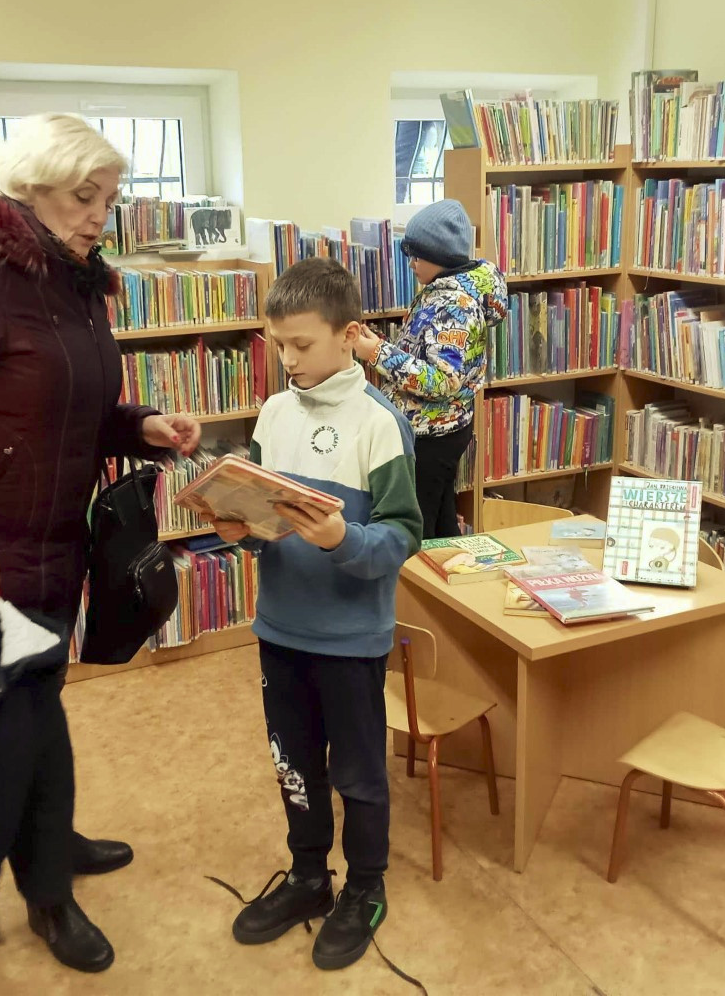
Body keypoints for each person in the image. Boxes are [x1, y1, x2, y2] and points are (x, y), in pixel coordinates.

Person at [0, 113, 201, 972]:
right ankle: (48, 894)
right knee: (15, 725)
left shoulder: (76, 282)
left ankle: (50, 838)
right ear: (30, 187)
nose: (100, 216)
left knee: (36, 709)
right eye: (85, 196)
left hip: (54, 544)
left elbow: (66, 407)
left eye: (109, 200)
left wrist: (141, 426)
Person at [210, 257, 422, 971]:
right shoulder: (274, 412)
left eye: (302, 344)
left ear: (349, 334)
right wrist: (238, 528)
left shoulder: (380, 424)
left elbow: (402, 535)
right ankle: (308, 877)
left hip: (350, 639)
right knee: (294, 765)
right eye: (279, 344)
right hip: (281, 628)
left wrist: (342, 540)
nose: (289, 359)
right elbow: (261, 512)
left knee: (358, 774)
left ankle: (364, 887)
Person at [354, 199, 506, 538]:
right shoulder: (442, 292)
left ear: (441, 256)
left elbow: (441, 381)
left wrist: (377, 353)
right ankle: (450, 570)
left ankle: (423, 574)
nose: (411, 263)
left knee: (418, 526)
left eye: (417, 255)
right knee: (440, 519)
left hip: (434, 434)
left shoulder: (454, 305)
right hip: (437, 426)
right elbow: (425, 353)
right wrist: (383, 345)